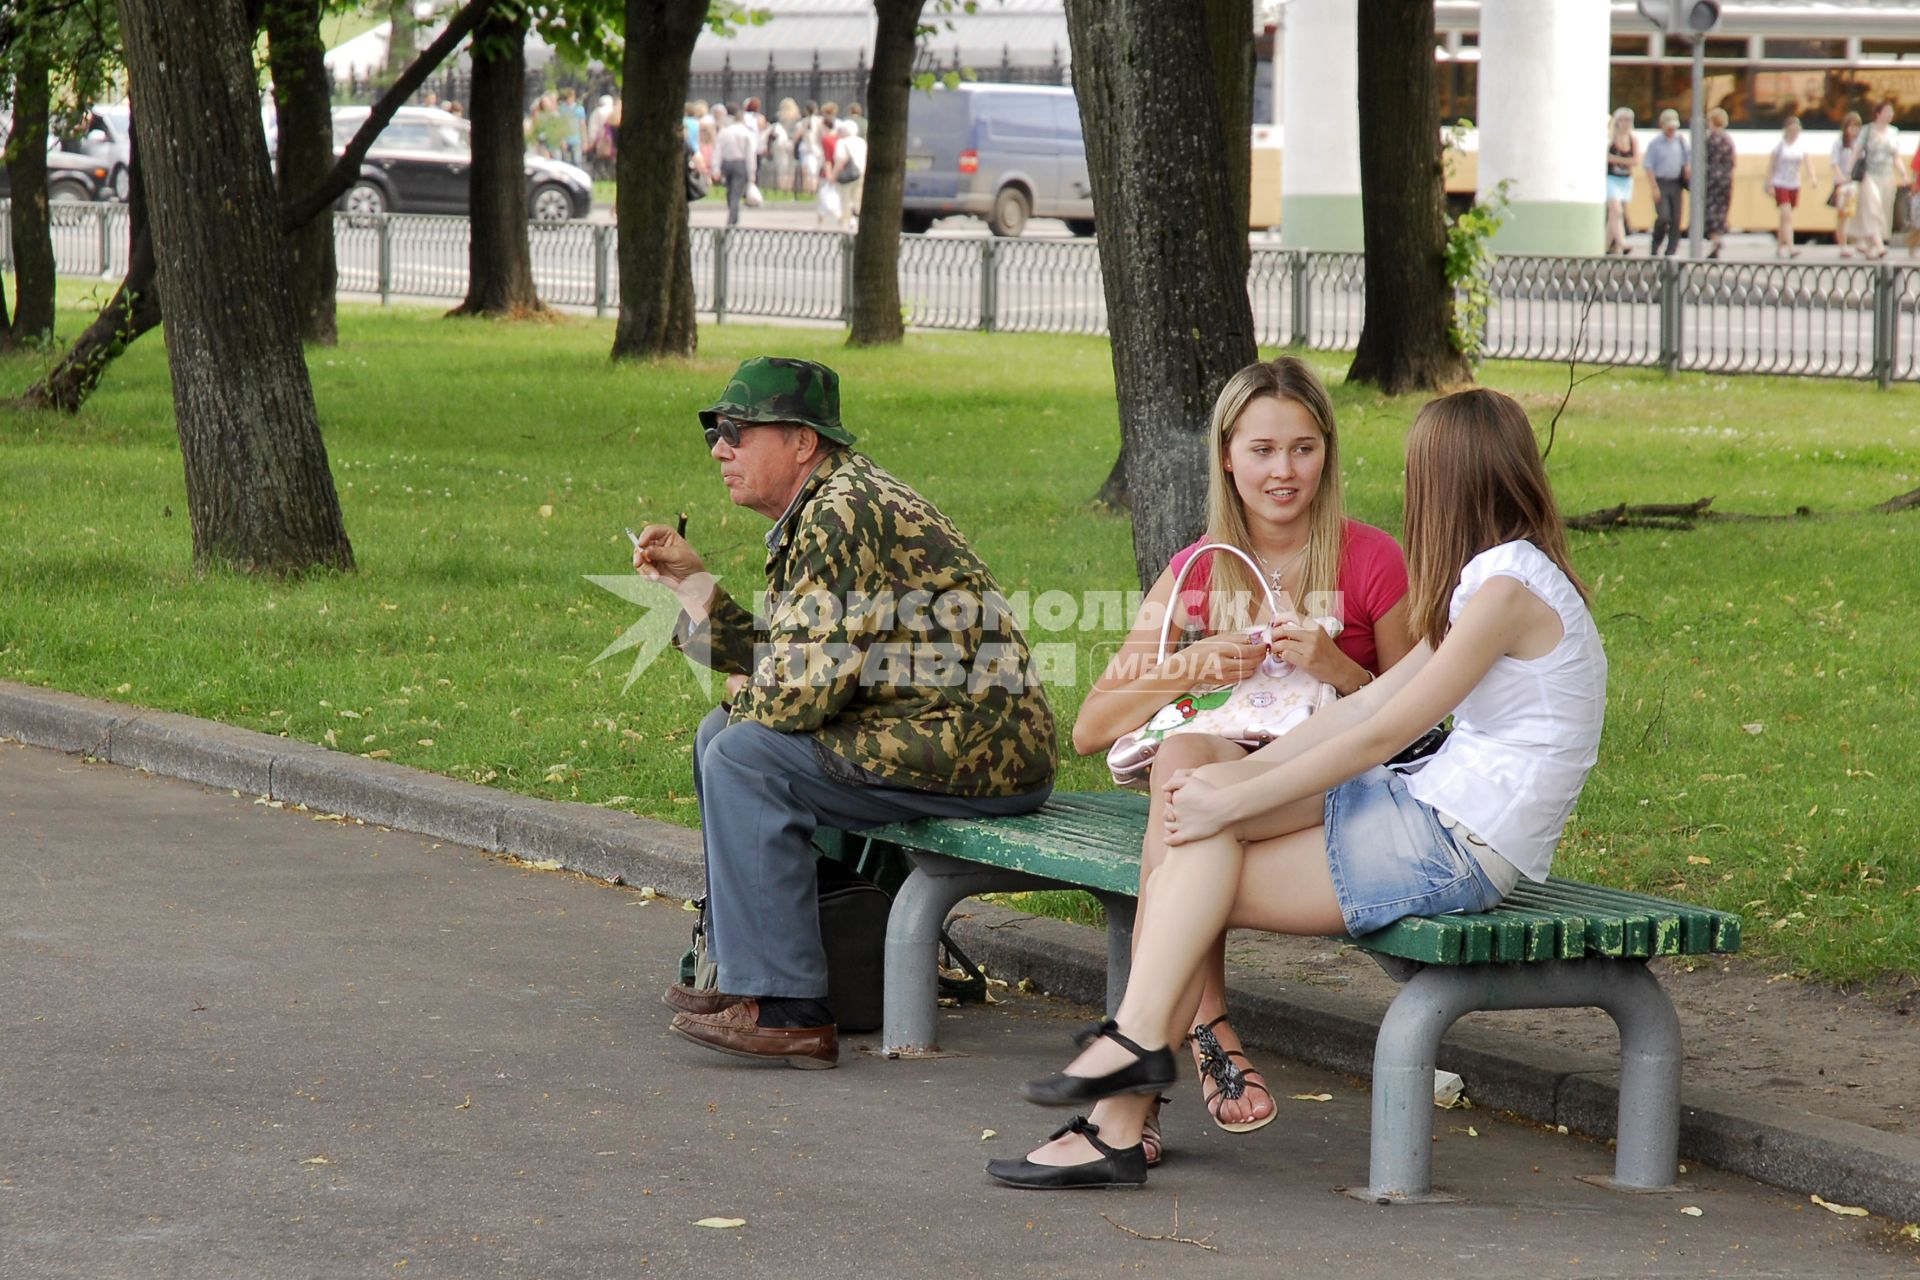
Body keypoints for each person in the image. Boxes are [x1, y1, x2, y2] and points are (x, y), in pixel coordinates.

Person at [989, 386, 1605, 1190]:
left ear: (1442, 484)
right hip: (1421, 813)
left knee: (1192, 860)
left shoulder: (1504, 591)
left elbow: (1384, 732)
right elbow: (1374, 706)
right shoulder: (1494, 580)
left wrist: (1234, 798)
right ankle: (1130, 1075)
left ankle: (1128, 1078)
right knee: (1193, 821)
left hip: (1456, 845)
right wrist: (1233, 781)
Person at [636, 358, 1058, 1070]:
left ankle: (789, 1009)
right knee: (727, 736)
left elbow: (798, 696)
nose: (718, 448)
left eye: (737, 430)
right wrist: (693, 585)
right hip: (937, 731)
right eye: (715, 430)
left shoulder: (840, 512)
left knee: (740, 750)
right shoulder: (830, 503)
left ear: (802, 442)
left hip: (978, 749)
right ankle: (748, 977)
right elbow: (796, 660)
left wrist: (750, 692)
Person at [1069, 357, 1414, 1149]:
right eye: (1262, 450)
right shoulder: (1202, 568)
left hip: (1328, 787)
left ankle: (1153, 1058)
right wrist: (1191, 663)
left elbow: (1417, 720)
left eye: (1302, 448)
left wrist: (1338, 669)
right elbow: (1091, 727)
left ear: (1327, 451)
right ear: (1227, 455)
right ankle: (1200, 1029)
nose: (1283, 471)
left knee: (1188, 802)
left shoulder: (1371, 560)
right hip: (1213, 791)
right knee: (1186, 761)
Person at [1764, 116, 1812, 259]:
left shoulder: (1801, 146)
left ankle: (1779, 247)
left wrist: (1812, 177)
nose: (1794, 133)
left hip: (1794, 184)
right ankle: (1791, 248)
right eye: (1792, 130)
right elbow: (1771, 166)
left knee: (1784, 219)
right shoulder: (1780, 146)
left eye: (1796, 130)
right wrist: (1769, 183)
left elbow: (1808, 162)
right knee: (1787, 216)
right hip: (1780, 183)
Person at [1856, 102, 1900, 259]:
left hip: (1887, 176)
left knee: (1882, 210)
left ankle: (1870, 246)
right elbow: (1856, 152)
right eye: (1887, 111)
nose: (1890, 114)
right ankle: (1879, 245)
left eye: (1891, 112)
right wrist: (1847, 174)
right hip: (1869, 175)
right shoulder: (1867, 130)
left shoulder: (1894, 132)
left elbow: (1896, 157)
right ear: (1878, 113)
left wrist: (1903, 174)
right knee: (1872, 209)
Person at [1643, 108, 1689, 257]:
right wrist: (1654, 187)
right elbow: (1648, 166)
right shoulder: (1655, 144)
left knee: (1676, 219)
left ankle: (1671, 251)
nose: (1671, 129)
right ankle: (1655, 245)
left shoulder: (1681, 141)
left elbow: (1687, 161)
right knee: (1664, 216)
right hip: (1661, 182)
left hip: (1676, 183)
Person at [715, 103, 758, 226]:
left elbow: (718, 149)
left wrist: (716, 167)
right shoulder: (746, 133)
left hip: (727, 163)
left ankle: (733, 213)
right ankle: (733, 216)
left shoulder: (725, 132)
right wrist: (752, 174)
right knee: (736, 190)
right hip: (740, 163)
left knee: (730, 189)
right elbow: (750, 155)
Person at [1604, 107, 1639, 255]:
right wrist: (1625, 161)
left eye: (1629, 120)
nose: (1627, 123)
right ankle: (1621, 242)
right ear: (1618, 121)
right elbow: (1606, 158)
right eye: (1624, 120)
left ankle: (1605, 246)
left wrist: (1618, 160)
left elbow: (1636, 160)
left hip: (1625, 179)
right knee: (1616, 210)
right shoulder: (1610, 138)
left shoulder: (1632, 139)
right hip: (1611, 178)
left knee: (1615, 214)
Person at [1703, 107, 1735, 259]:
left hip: (1711, 180)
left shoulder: (1709, 139)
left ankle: (1715, 240)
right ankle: (1717, 240)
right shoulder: (1728, 139)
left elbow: (1701, 158)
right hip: (1726, 180)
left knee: (1710, 212)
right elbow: (1733, 162)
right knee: (1721, 212)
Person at [1831, 112, 1862, 257]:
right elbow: (1834, 163)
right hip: (1842, 184)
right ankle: (1843, 245)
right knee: (1843, 216)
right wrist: (1842, 178)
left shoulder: (1859, 144)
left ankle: (1859, 242)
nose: (1854, 130)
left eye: (1857, 126)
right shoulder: (1839, 143)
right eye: (1851, 126)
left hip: (1856, 183)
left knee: (1857, 215)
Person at [828, 118, 867, 229]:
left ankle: (847, 222)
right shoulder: (861, 142)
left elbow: (840, 161)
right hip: (860, 173)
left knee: (845, 199)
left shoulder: (842, 143)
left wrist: (833, 176)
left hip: (847, 175)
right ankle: (856, 220)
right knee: (857, 198)